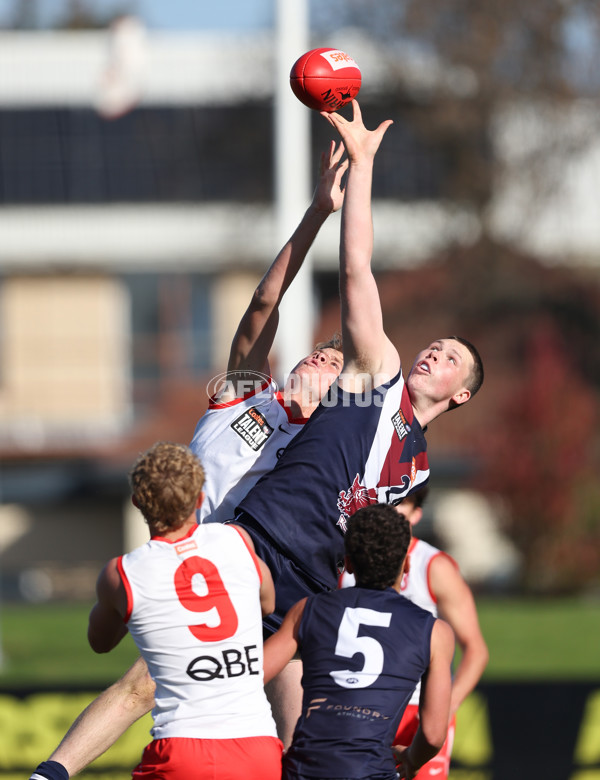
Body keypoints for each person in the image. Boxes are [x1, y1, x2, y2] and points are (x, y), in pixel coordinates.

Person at [30, 103, 484, 778]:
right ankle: (53, 770)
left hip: (299, 583)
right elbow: (343, 277)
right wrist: (354, 178)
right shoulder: (328, 384)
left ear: (463, 394)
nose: (433, 354)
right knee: (145, 684)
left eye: (450, 358)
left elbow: (369, 533)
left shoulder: (410, 462)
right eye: (436, 344)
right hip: (235, 549)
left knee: (295, 719)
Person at [29, 142, 348, 780]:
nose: (322, 357)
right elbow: (263, 306)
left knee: (282, 689)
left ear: (348, 386)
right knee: (143, 686)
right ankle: (52, 772)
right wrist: (317, 214)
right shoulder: (246, 393)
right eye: (321, 350)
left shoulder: (324, 444)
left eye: (339, 361)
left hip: (246, 565)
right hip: (186, 554)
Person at [92, 441, 281, 780]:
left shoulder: (123, 573)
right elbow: (267, 603)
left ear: (137, 502)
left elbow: (100, 643)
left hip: (183, 748)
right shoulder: (237, 540)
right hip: (259, 747)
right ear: (198, 498)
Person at [262, 503, 455, 780]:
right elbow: (434, 735)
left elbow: (250, 676)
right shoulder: (435, 632)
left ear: (348, 562)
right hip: (371, 772)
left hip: (304, 771)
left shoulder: (307, 610)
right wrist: (411, 760)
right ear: (407, 563)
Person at [340, 488, 489, 780]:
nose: (390, 510)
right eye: (385, 501)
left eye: (400, 504)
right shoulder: (348, 564)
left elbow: (476, 650)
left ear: (417, 513)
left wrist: (446, 706)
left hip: (419, 708)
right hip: (359, 705)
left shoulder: (433, 566)